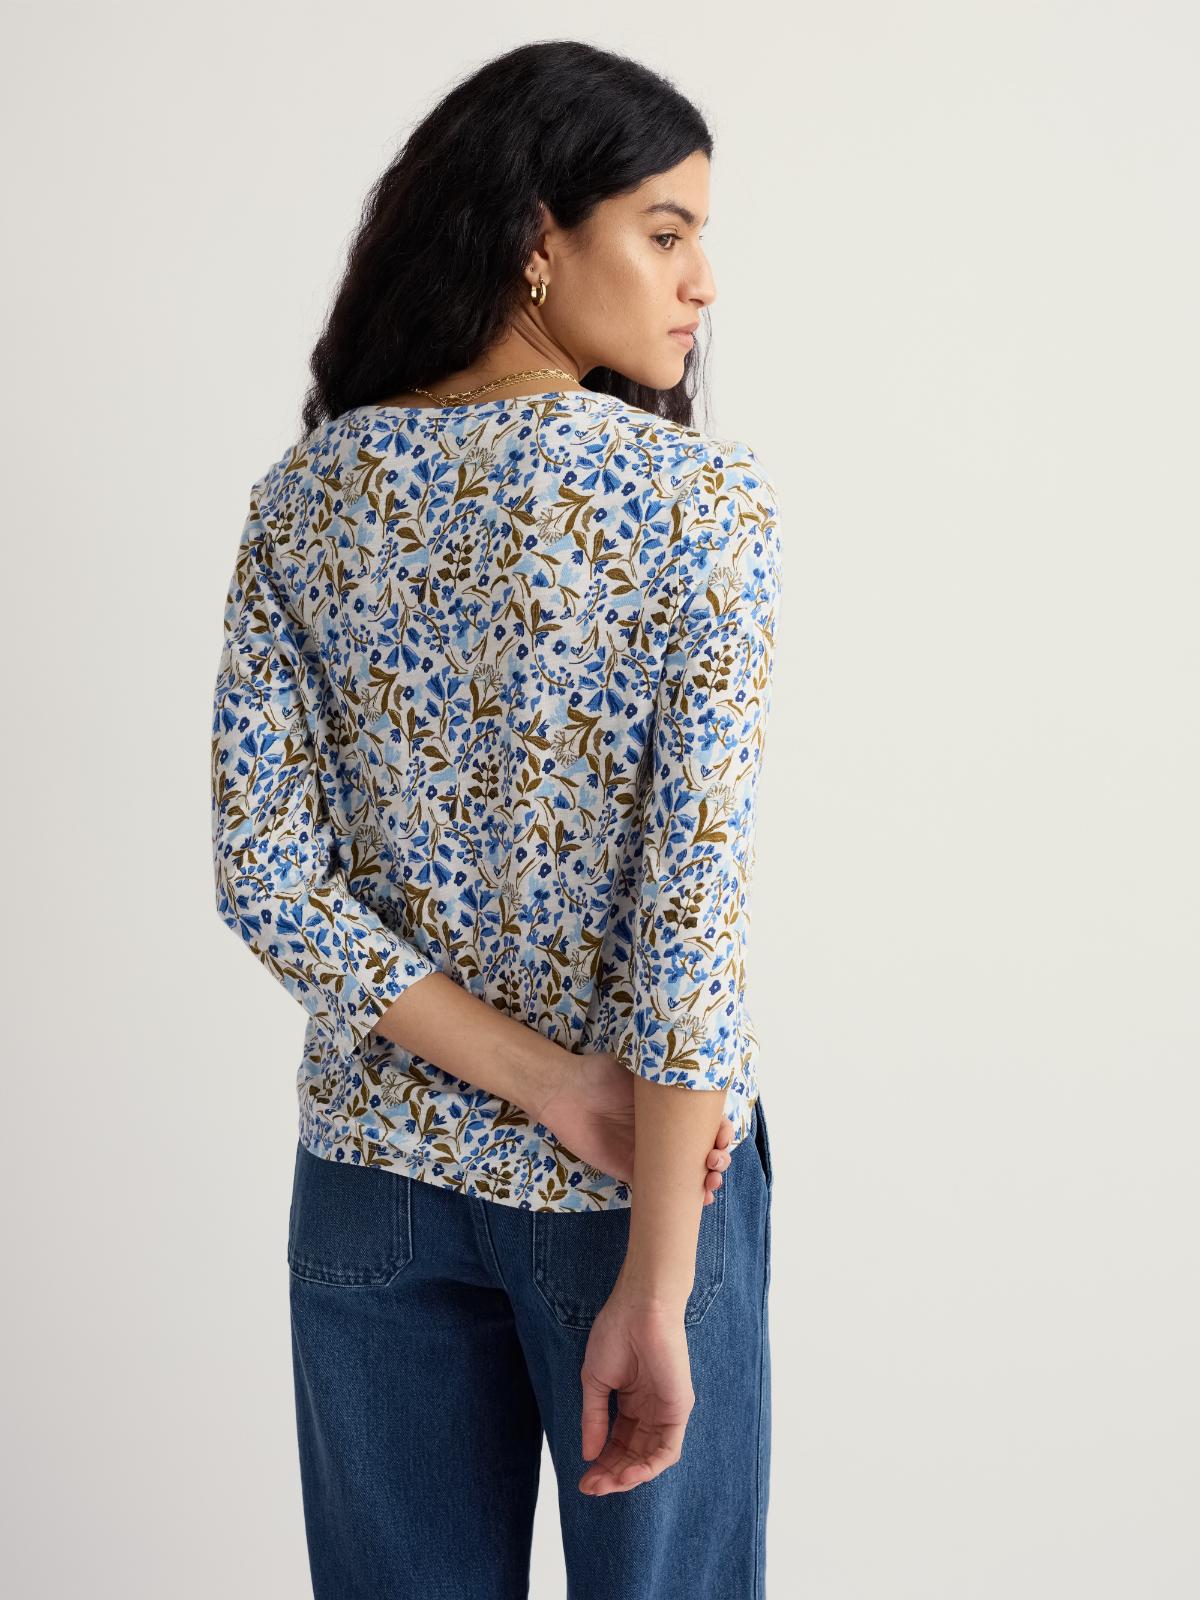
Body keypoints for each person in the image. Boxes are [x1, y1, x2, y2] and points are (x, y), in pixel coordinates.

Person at [210, 38, 781, 1600]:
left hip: (371, 1184)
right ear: (541, 237)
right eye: (664, 230)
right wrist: (656, 1281)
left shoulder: (306, 499)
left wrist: (536, 1083)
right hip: (638, 1190)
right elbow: (689, 921)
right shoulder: (698, 506)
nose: (703, 280)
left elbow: (268, 880)